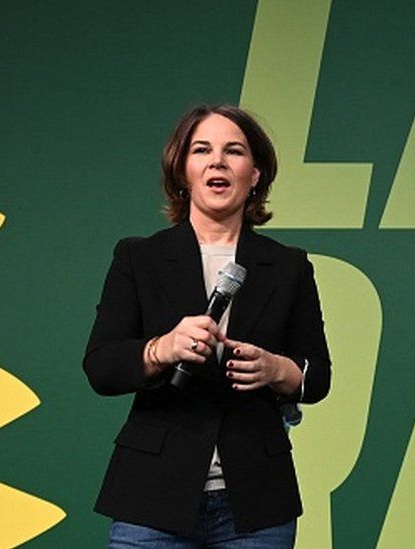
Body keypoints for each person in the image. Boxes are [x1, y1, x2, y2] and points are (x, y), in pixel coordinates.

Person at [83, 104, 331, 547]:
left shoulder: (288, 266)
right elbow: (101, 366)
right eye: (202, 150)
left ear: (255, 175)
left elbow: (317, 377)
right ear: (183, 172)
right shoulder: (138, 258)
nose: (217, 160)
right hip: (151, 500)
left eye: (234, 151)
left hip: (255, 503)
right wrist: (162, 348)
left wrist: (275, 369)